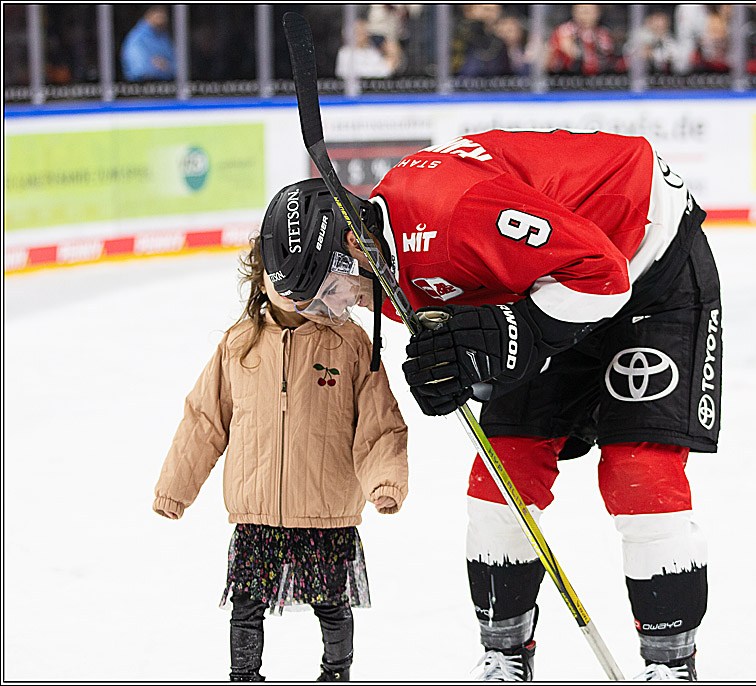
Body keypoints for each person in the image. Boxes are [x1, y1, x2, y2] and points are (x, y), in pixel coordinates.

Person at [262, 130, 722, 681]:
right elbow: (475, 326)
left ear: (354, 248)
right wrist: (459, 368)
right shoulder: (384, 264)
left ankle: (671, 666)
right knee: (499, 481)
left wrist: (512, 333)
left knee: (640, 474)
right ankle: (505, 655)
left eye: (330, 293)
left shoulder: (457, 213)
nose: (340, 311)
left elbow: (603, 274)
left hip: (649, 261)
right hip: (549, 283)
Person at [153, 207, 409, 682]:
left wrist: (385, 482)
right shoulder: (238, 344)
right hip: (257, 510)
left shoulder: (350, 343)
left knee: (333, 605)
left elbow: (380, 423)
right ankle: (244, 675)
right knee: (246, 606)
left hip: (328, 505)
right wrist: (175, 489)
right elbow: (204, 421)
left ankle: (336, 673)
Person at [547, 4, 624, 75]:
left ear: (598, 13)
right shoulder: (564, 32)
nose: (585, 16)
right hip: (565, 79)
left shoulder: (603, 34)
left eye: (588, 12)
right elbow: (568, 55)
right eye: (581, 11)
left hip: (598, 81)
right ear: (574, 12)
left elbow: (609, 61)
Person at [120, 5, 175, 81]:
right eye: (159, 11)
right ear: (148, 13)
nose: (164, 16)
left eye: (164, 12)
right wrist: (162, 68)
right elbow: (139, 71)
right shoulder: (137, 38)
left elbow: (178, 67)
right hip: (142, 89)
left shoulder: (164, 37)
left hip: (166, 87)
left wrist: (165, 66)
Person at [336, 18, 401, 79]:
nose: (363, 35)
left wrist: (393, 55)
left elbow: (385, 72)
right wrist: (388, 64)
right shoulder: (345, 53)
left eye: (364, 31)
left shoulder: (372, 51)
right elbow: (363, 75)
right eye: (358, 32)